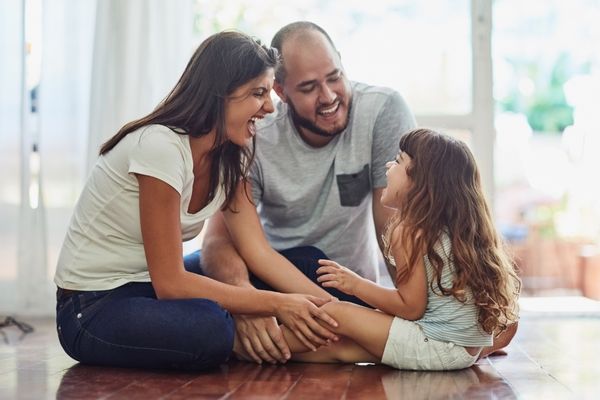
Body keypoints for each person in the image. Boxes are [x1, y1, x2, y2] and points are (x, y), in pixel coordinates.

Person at [53, 31, 340, 371]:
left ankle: (328, 334)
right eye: (258, 93)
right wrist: (271, 305)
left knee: (309, 262)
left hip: (149, 286)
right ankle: (331, 343)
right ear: (219, 95)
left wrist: (331, 308)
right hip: (94, 306)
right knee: (211, 327)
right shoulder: (160, 147)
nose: (269, 106)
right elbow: (171, 283)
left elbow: (257, 252)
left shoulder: (230, 154)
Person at [201, 21, 417, 364]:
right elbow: (217, 241)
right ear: (281, 92)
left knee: (315, 265)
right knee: (173, 289)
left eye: (334, 77)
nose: (329, 97)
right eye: (309, 88)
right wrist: (247, 303)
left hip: (349, 289)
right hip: (271, 280)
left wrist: (412, 309)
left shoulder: (382, 110)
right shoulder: (254, 134)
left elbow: (397, 227)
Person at [243, 128, 522, 370]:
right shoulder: (457, 232)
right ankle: (258, 348)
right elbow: (506, 324)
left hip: (435, 346)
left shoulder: (411, 231)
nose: (389, 165)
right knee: (341, 348)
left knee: (339, 313)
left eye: (399, 161)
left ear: (420, 183)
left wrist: (355, 285)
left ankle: (251, 345)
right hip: (461, 353)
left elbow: (410, 308)